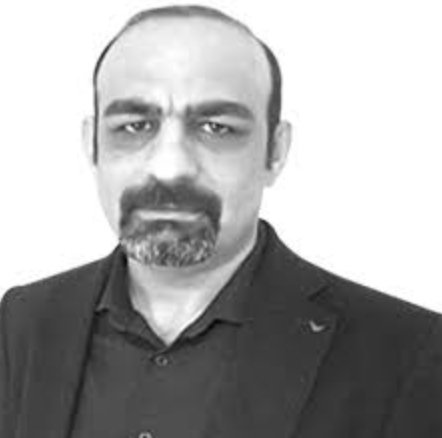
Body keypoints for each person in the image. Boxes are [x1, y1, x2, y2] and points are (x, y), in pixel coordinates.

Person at [1, 5, 441, 438]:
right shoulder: (21, 324)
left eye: (216, 127)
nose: (170, 167)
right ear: (92, 144)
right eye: (134, 126)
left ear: (275, 152)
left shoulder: (407, 354)